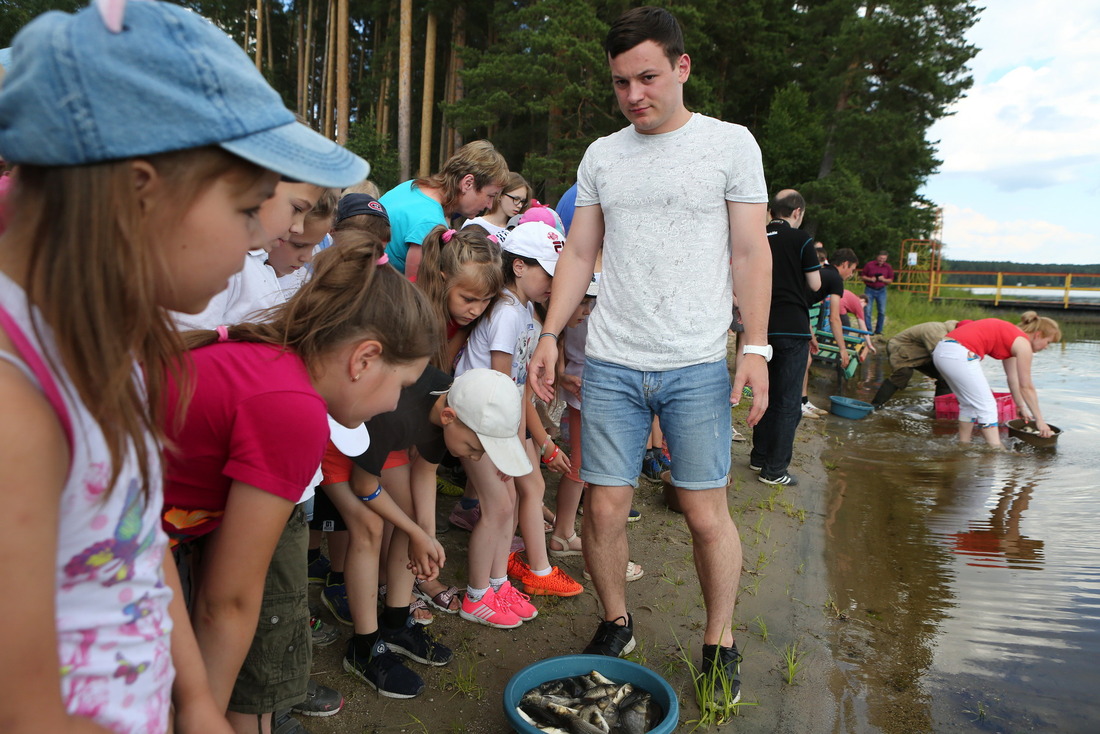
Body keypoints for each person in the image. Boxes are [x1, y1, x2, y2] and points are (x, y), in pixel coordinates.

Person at [0, 2, 366, 732]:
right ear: (142, 191)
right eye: (243, 211)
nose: (253, 249)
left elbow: (131, 539)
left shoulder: (107, 348)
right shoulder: (17, 413)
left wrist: (196, 696)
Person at [528, 6, 771, 705]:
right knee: (603, 511)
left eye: (648, 77)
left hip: (696, 362)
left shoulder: (730, 145)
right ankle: (615, 622)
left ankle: (719, 639)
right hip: (610, 362)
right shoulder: (604, 155)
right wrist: (549, 333)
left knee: (704, 514)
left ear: (682, 68)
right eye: (620, 83)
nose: (634, 95)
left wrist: (752, 346)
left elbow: (751, 252)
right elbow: (578, 250)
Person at [163, 245, 438, 728]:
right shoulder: (294, 412)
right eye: (401, 384)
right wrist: (200, 712)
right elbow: (228, 600)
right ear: (364, 359)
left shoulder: (275, 359)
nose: (396, 404)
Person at [456, 222, 583, 614]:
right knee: (497, 508)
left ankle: (496, 585)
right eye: (547, 271)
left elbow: (517, 386)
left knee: (507, 503)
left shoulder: (526, 311)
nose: (553, 283)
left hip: (500, 424)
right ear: (519, 267)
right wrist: (520, 443)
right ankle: (476, 596)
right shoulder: (509, 314)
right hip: (480, 423)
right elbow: (498, 385)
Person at [749, 189, 821, 487]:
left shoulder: (758, 236)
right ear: (797, 212)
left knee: (765, 393)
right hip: (792, 326)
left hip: (761, 326)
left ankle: (758, 456)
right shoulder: (802, 238)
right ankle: (775, 469)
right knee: (788, 399)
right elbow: (815, 284)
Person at [380, 140, 508, 279]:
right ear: (468, 183)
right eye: (490, 196)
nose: (489, 205)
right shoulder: (431, 222)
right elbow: (415, 289)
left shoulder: (413, 186)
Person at [931, 312, 1060, 448]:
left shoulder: (1014, 338)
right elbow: (1026, 386)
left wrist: (1020, 406)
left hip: (942, 351)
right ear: (1038, 334)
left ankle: (963, 445)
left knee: (968, 404)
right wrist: (1040, 421)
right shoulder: (1023, 345)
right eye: (1048, 342)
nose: (1046, 347)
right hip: (958, 353)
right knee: (988, 405)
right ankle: (996, 450)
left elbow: (1013, 378)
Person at [870, 320, 963, 407]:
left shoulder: (949, 335)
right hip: (901, 348)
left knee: (946, 378)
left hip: (921, 354)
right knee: (902, 374)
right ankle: (875, 406)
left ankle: (939, 411)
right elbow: (941, 356)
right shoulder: (936, 330)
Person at [463, 171, 531, 242]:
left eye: (523, 201)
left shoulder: (519, 230)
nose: (520, 205)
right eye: (516, 199)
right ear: (500, 195)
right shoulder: (474, 224)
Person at [860, 250, 894, 335]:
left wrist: (883, 279)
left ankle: (879, 330)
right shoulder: (869, 265)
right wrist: (870, 279)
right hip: (870, 289)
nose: (882, 260)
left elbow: (890, 280)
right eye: (881, 258)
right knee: (867, 310)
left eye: (884, 258)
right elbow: (862, 276)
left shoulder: (888, 267)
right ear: (877, 257)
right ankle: (868, 330)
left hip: (881, 289)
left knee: (882, 311)